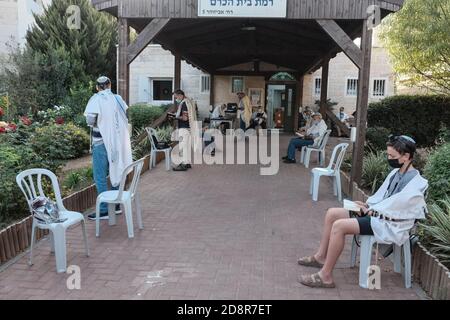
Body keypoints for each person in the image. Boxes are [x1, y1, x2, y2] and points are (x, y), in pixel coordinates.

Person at [297, 135, 428, 288]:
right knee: (332, 213)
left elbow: (400, 211)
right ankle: (320, 257)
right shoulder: (396, 173)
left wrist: (371, 210)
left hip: (389, 224)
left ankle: (325, 276)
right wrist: (366, 204)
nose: (389, 158)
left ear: (406, 156)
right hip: (378, 215)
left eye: (392, 156)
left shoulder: (416, 183)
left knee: (339, 226)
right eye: (388, 155)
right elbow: (384, 197)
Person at [84, 76, 133, 220]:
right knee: (117, 171)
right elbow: (126, 116)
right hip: (117, 143)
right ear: (110, 85)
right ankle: (116, 205)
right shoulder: (118, 99)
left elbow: (90, 120)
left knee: (100, 176)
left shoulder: (95, 99)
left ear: (97, 87)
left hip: (100, 143)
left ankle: (105, 209)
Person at [172, 89, 199, 171]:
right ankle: (187, 163)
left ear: (180, 95)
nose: (176, 99)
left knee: (182, 147)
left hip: (184, 128)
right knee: (186, 146)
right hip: (189, 128)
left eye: (176, 97)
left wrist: (175, 117)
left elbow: (185, 118)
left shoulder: (184, 104)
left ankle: (183, 164)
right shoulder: (189, 102)